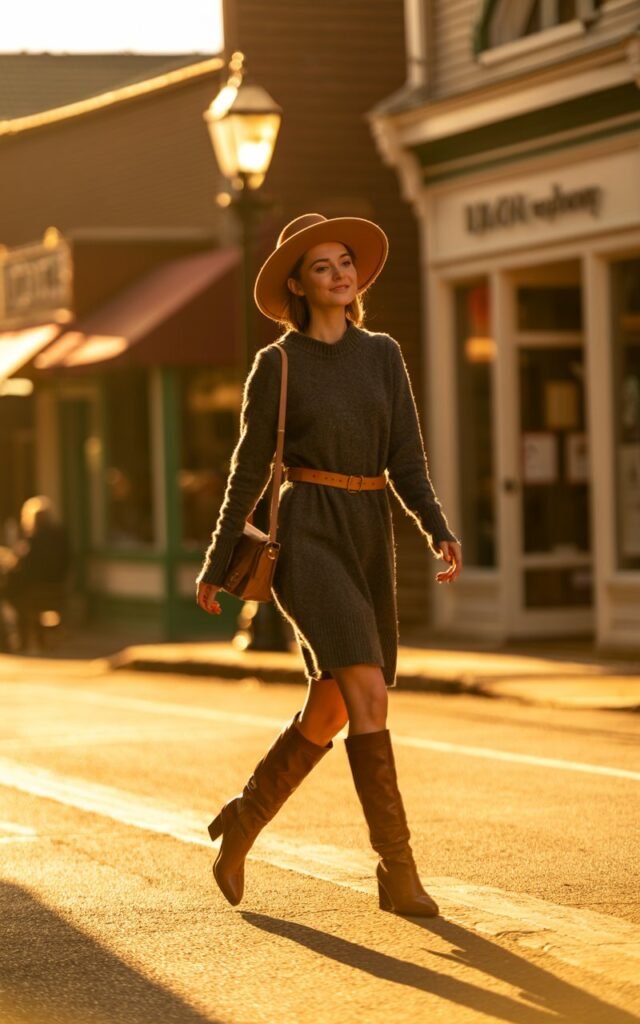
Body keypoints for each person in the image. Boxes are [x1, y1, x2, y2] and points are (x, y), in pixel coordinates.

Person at [196, 213, 462, 917]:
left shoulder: (383, 355)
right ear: (298, 284)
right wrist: (217, 563)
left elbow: (406, 459)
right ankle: (398, 870)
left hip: (369, 532)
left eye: (345, 261)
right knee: (369, 692)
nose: (341, 274)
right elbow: (248, 470)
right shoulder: (278, 364)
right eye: (323, 266)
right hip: (308, 533)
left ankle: (243, 819)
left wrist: (436, 526)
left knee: (334, 704)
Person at [5, 496, 70, 653]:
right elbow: (68, 561)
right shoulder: (60, 536)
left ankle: (22, 641)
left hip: (36, 591)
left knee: (13, 594)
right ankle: (39, 638)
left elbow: (25, 568)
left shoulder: (33, 541)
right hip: (57, 587)